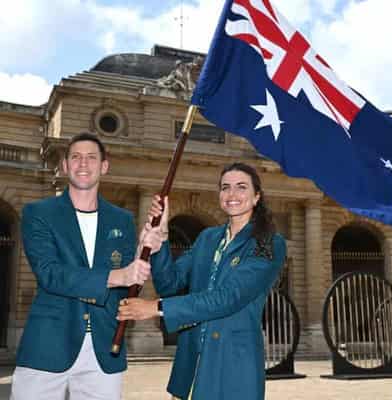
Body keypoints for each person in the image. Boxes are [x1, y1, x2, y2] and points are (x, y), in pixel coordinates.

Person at [118, 162, 287, 400]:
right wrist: (162, 236)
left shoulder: (268, 243)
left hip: (233, 366)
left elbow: (228, 298)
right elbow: (170, 283)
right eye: (225, 187)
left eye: (241, 187)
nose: (232, 195)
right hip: (191, 362)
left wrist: (154, 308)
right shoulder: (208, 238)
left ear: (256, 196)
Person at [10, 132, 151, 400]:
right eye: (75, 157)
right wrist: (116, 276)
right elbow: (49, 273)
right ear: (65, 165)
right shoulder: (38, 213)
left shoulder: (121, 220)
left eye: (91, 158)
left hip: (103, 348)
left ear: (104, 166)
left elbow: (128, 285)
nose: (83, 164)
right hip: (48, 345)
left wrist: (146, 253)